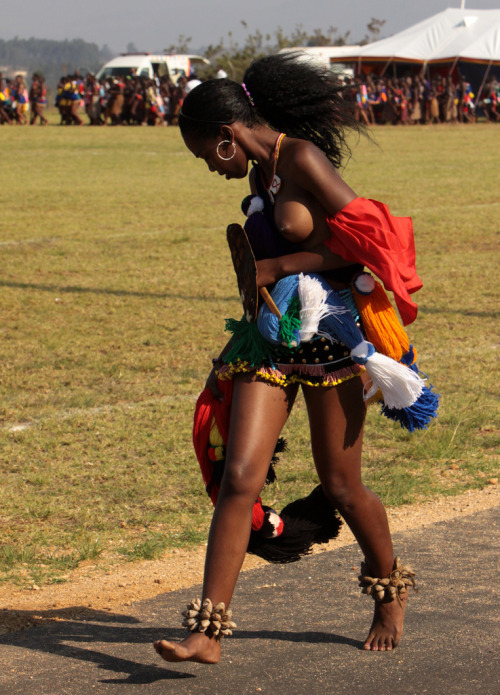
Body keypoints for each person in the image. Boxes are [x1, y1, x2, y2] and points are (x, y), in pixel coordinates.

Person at [154, 53, 422, 665]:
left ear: (227, 138)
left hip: (330, 343)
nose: (211, 171)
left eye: (205, 157)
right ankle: (207, 633)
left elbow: (368, 243)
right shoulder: (259, 178)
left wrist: (280, 265)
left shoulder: (300, 158)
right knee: (239, 482)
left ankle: (389, 589)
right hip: (270, 343)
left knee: (342, 486)